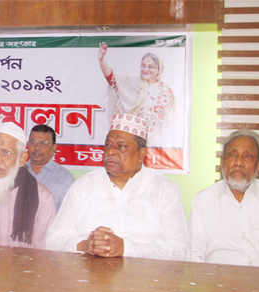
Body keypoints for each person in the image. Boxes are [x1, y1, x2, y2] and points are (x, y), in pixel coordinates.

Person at [46, 114, 189, 261]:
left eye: (121, 146)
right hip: (87, 280)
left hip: (143, 280)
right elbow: (53, 240)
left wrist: (126, 248)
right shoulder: (84, 184)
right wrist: (84, 245)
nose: (111, 152)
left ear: (142, 154)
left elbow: (180, 250)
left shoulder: (164, 189)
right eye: (108, 145)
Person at [190, 129, 259, 269]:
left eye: (247, 156)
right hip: (218, 283)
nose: (238, 162)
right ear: (222, 162)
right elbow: (194, 257)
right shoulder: (202, 201)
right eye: (232, 155)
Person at [98, 42, 175, 136]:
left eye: (151, 67)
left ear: (159, 70)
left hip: (155, 140)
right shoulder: (132, 84)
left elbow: (170, 119)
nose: (146, 70)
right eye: (143, 66)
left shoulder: (165, 91)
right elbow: (113, 80)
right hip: (132, 138)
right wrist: (101, 61)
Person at [25, 124, 75, 211]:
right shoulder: (16, 172)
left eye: (43, 143)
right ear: (28, 144)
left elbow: (68, 214)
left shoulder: (65, 179)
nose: (37, 147)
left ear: (54, 148)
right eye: (33, 142)